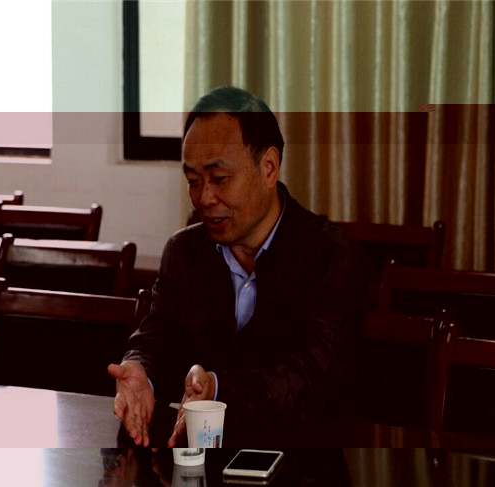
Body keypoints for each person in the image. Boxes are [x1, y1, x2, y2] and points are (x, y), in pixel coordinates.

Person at [108, 86, 367, 447]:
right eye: (193, 181)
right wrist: (139, 369)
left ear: (268, 167)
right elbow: (155, 337)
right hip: (197, 459)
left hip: (303, 457)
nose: (204, 198)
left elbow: (310, 380)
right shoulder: (183, 252)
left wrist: (218, 388)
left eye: (219, 179)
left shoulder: (332, 258)